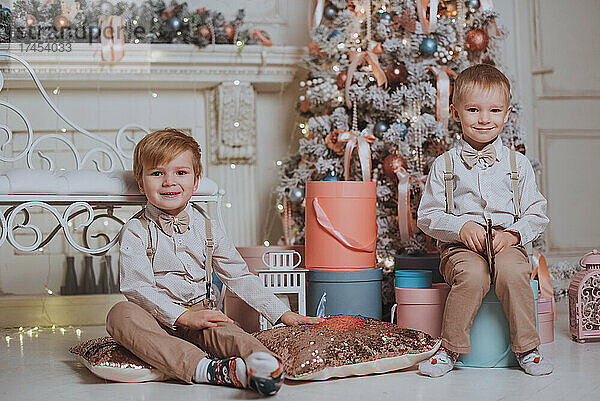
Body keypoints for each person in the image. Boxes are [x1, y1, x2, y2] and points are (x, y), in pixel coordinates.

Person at [106, 128, 322, 395]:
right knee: (120, 314)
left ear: (196, 181)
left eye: (180, 173)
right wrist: (181, 317)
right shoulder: (136, 231)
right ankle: (205, 369)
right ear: (141, 183)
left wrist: (281, 312)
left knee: (227, 330)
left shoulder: (208, 228)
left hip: (201, 313)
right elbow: (137, 288)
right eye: (157, 173)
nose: (169, 182)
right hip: (155, 318)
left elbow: (239, 276)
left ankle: (261, 364)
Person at [416, 64, 552, 377]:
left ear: (506, 114)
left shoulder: (517, 164)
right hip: (460, 247)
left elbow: (537, 211)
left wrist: (515, 235)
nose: (483, 119)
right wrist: (460, 227)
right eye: (473, 109)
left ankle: (528, 348)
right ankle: (450, 349)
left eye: (494, 110)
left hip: (507, 242)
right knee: (473, 276)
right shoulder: (445, 164)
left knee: (514, 272)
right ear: (455, 112)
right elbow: (427, 216)